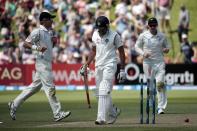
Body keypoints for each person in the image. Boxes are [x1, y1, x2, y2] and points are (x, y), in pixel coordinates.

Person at [8, 11, 71, 122]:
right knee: (50, 88)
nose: (52, 21)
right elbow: (25, 43)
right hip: (42, 64)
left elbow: (48, 48)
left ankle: (14, 104)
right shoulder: (37, 31)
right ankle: (57, 113)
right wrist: (37, 48)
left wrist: (54, 42)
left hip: (46, 63)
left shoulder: (49, 33)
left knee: (33, 88)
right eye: (50, 19)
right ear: (43, 21)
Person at [80, 16, 126, 125]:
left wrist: (122, 69)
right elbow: (93, 50)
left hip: (110, 65)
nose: (99, 30)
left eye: (102, 28)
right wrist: (86, 64)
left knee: (103, 90)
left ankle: (101, 118)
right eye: (98, 28)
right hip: (98, 65)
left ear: (107, 26)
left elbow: (122, 53)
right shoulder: (95, 34)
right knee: (99, 92)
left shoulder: (115, 36)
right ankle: (113, 112)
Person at [135, 17, 170, 114]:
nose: (153, 27)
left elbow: (167, 46)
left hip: (159, 62)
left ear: (157, 25)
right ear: (148, 26)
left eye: (154, 25)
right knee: (150, 85)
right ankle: (150, 101)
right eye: (151, 25)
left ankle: (161, 107)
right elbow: (136, 46)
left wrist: (166, 50)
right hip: (148, 63)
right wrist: (143, 53)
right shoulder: (143, 36)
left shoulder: (162, 36)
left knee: (160, 84)